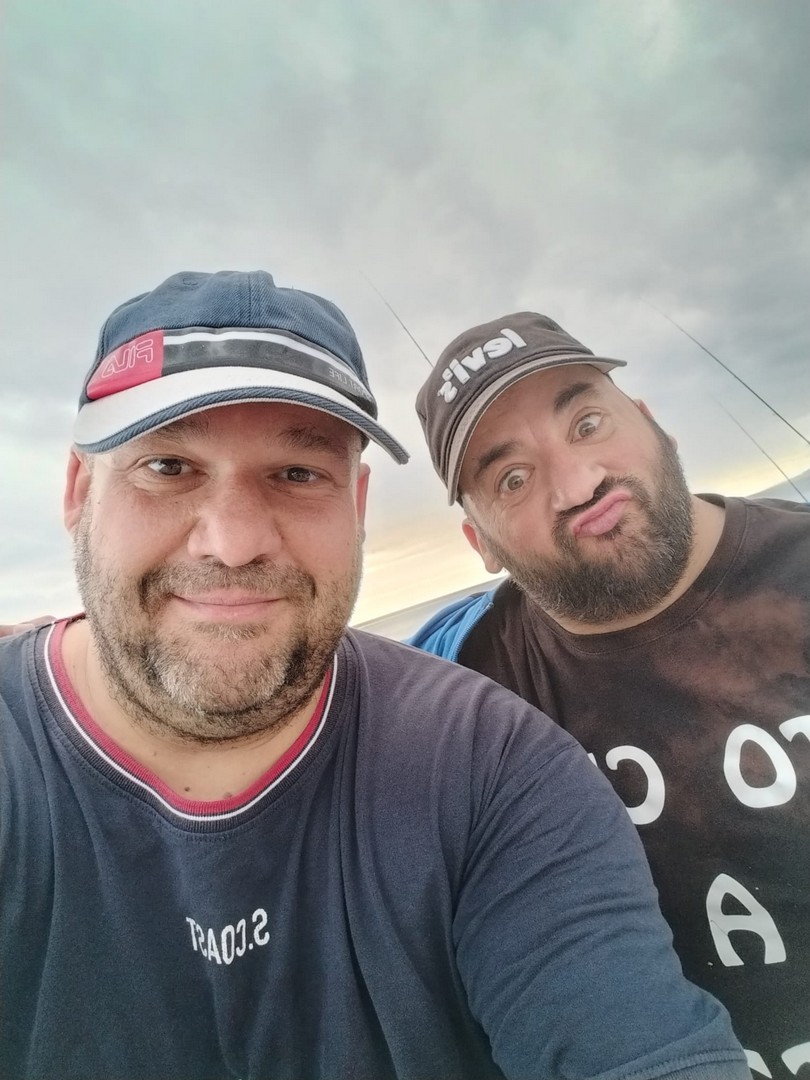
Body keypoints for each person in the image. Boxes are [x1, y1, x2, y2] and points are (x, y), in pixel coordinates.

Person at [0, 272, 751, 1080]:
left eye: (297, 473)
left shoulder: (491, 766)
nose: (233, 541)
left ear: (357, 504)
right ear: (78, 491)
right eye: (169, 465)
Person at [411, 310, 810, 1080]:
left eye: (588, 424)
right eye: (513, 478)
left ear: (654, 424)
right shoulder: (468, 700)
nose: (578, 484)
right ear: (480, 543)